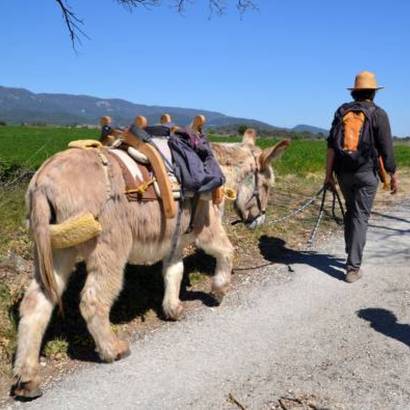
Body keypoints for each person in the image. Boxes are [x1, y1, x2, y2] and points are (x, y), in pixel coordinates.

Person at [325, 71, 399, 283]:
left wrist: (328, 175)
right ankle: (353, 267)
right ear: (373, 93)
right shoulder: (378, 113)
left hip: (343, 172)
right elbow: (387, 148)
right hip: (367, 173)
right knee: (360, 216)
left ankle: (351, 251)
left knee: (351, 211)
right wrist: (392, 175)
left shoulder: (342, 110)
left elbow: (331, 146)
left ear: (355, 92)